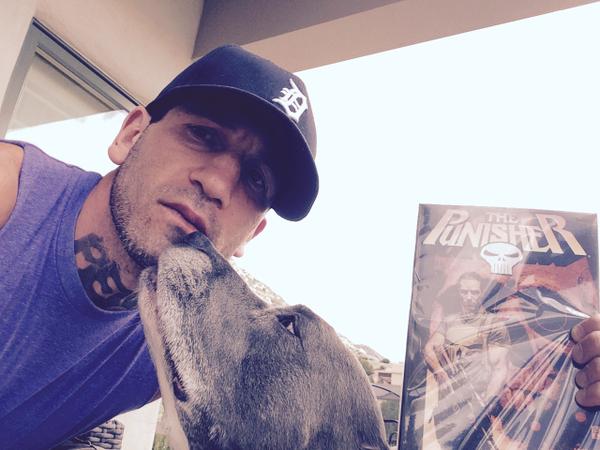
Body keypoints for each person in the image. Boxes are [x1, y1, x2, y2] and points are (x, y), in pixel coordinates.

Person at [0, 45, 318, 449]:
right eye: (204, 135)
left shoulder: (176, 349)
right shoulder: (9, 192)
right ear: (131, 135)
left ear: (250, 235)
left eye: (256, 179)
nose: (217, 185)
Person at [423, 272, 511, 448]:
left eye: (474, 292)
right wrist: (440, 373)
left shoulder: (493, 324)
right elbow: (428, 350)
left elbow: (500, 369)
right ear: (459, 293)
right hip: (449, 406)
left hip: (476, 403)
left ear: (482, 293)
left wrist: (486, 403)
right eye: (464, 292)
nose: (469, 297)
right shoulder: (449, 322)